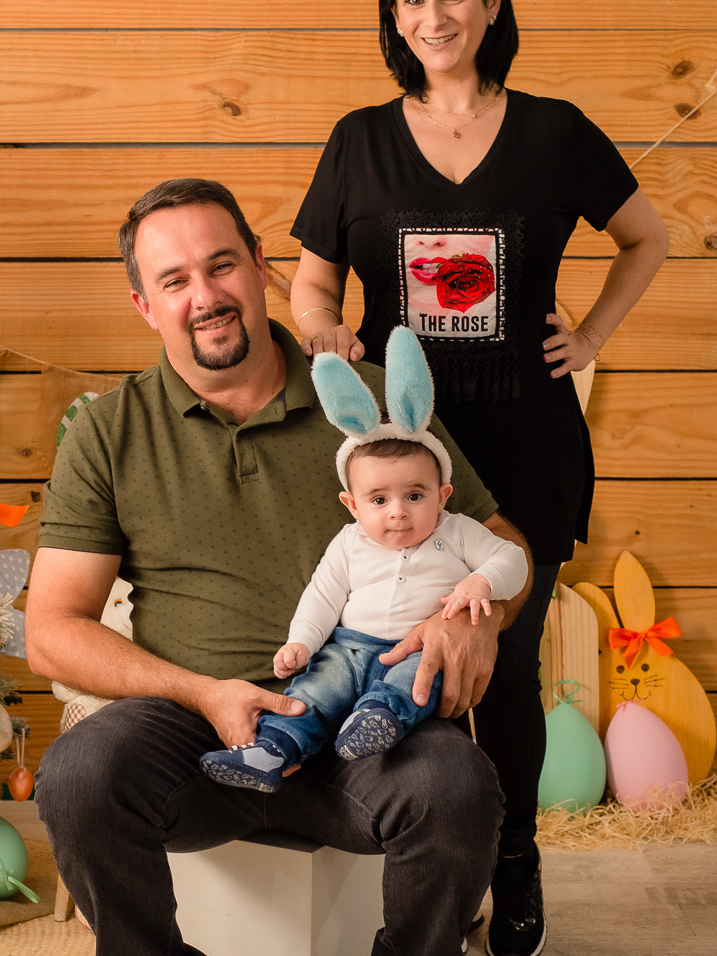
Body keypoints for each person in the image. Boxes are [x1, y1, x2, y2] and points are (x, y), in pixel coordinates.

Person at [28, 177, 533, 956]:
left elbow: (501, 540)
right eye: (174, 280)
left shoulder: (370, 403)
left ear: (261, 269)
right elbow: (53, 626)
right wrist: (201, 693)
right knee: (81, 774)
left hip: (364, 728)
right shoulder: (110, 428)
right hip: (200, 736)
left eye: (222, 265)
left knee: (458, 784)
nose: (205, 295)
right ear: (143, 304)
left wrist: (478, 620)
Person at [289, 0, 669, 956]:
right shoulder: (359, 140)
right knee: (387, 659)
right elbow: (313, 280)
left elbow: (647, 236)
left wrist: (590, 336)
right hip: (398, 461)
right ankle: (427, 867)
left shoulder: (553, 132)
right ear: (393, 16)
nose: (434, 17)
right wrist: (321, 327)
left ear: (492, 3)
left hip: (523, 447)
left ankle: (513, 858)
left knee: (497, 667)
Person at [199, 332, 528, 792]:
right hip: (347, 650)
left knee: (416, 682)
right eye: (379, 500)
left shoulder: (455, 531)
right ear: (352, 506)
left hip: (417, 648)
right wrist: (302, 642)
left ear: (443, 496)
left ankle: (378, 720)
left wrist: (483, 582)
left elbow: (513, 558)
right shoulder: (350, 543)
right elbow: (323, 596)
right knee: (315, 692)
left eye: (415, 495)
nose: (398, 512)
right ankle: (271, 750)